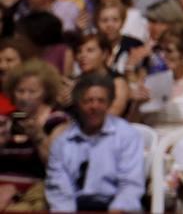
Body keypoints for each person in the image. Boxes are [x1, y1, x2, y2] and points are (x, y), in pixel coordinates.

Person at [43, 73, 144, 214]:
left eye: (101, 101)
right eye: (88, 101)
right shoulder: (63, 142)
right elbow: (59, 189)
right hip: (75, 206)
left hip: (116, 207)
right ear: (78, 103)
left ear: (109, 103)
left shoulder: (127, 135)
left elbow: (131, 185)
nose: (94, 106)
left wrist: (116, 209)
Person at [0, 62, 70, 210]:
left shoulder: (56, 120)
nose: (25, 97)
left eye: (32, 92)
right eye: (20, 91)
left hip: (34, 194)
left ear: (46, 93)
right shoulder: (5, 121)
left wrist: (38, 137)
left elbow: (59, 166)